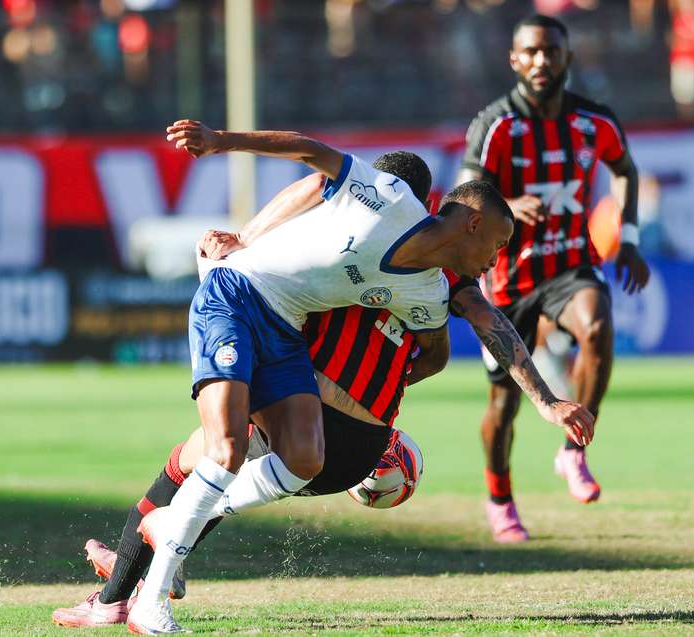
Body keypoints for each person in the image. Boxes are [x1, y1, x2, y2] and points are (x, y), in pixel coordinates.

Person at [52, 166, 595, 630]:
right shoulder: (437, 268)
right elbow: (448, 348)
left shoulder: (359, 247)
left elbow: (311, 185)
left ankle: (142, 572)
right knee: (214, 463)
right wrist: (393, 383)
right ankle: (127, 588)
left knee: (202, 461)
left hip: (314, 418)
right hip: (361, 443)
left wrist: (241, 240)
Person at [457, 14, 650, 544]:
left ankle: (574, 451)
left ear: (567, 58)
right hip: (508, 274)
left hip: (569, 262)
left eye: (551, 52)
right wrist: (508, 206)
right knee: (504, 402)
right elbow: (464, 197)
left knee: (598, 326)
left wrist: (629, 239)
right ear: (515, 60)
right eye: (532, 52)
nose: (542, 61)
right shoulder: (496, 125)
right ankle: (499, 498)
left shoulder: (594, 121)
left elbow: (625, 169)